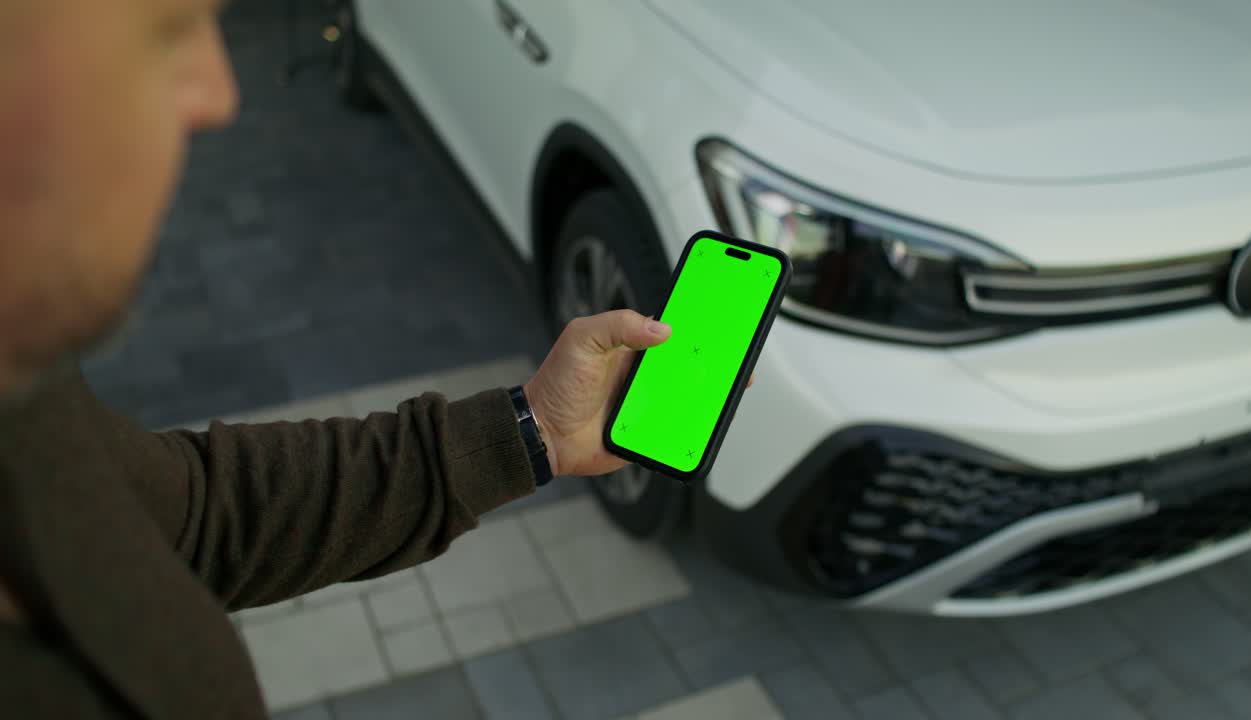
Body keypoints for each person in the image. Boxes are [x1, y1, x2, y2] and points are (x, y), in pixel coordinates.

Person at [0, 1, 719, 716]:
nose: (219, 93)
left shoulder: (21, 395)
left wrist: (534, 431)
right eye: (166, 30)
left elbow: (196, 515)